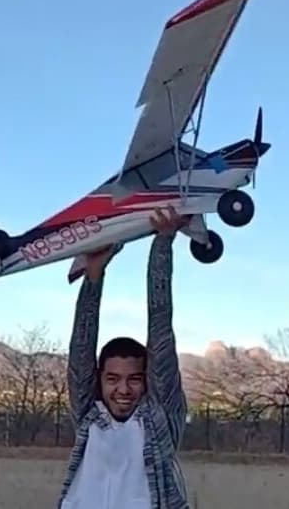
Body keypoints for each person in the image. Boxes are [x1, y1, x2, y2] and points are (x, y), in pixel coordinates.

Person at [57, 206, 191, 509]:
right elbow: (81, 347)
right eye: (113, 379)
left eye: (134, 379)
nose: (123, 389)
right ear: (100, 381)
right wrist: (94, 276)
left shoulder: (159, 418)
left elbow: (160, 324)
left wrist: (162, 243)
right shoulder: (89, 414)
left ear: (147, 381)